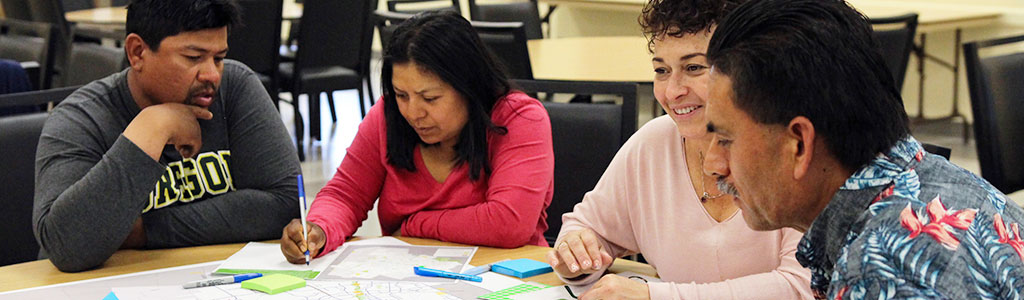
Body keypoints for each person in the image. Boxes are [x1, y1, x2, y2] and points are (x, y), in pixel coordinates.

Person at [702, 0, 1024, 298]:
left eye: (726, 140)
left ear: (799, 143)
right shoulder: (934, 180)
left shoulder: (882, 273)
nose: (713, 164)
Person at [544, 0, 812, 299]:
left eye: (694, 67)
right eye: (661, 70)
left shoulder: (793, 149)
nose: (672, 91)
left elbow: (802, 287)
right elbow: (589, 228)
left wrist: (654, 296)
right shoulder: (653, 143)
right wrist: (578, 254)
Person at [33, 0, 300, 273]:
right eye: (193, 58)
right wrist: (152, 127)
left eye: (219, 58)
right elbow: (68, 247)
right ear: (137, 53)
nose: (212, 74)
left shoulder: (235, 87)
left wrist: (141, 230)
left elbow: (285, 203)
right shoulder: (81, 117)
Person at [279, 11, 554, 263]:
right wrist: (319, 230)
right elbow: (345, 195)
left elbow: (509, 222)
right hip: (411, 278)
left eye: (430, 98)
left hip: (511, 279)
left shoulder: (518, 118)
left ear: (469, 87)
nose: (413, 113)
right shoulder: (388, 117)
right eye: (401, 95)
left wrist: (415, 224)